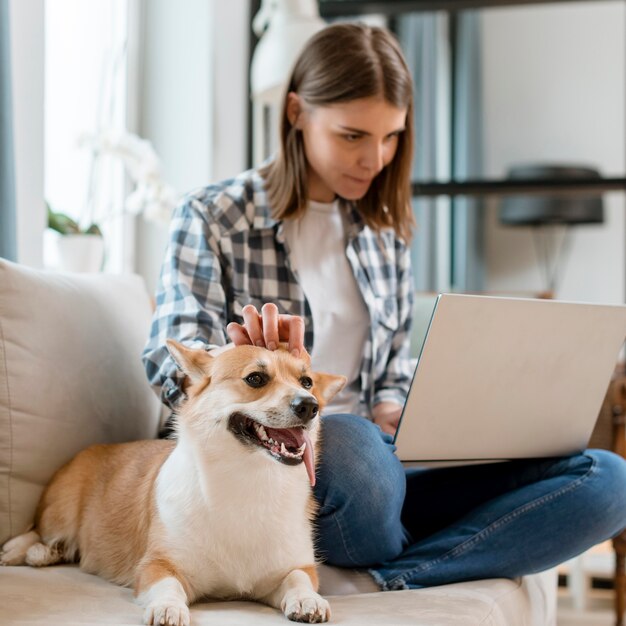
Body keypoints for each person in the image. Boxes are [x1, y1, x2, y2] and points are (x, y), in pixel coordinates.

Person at [143, 22, 626, 590]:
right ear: (296, 112)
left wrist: (405, 409)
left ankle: (394, 574)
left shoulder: (384, 234)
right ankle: (431, 541)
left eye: (391, 136)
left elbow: (391, 374)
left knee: (607, 478)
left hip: (387, 472)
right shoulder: (213, 216)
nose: (375, 158)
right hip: (304, 471)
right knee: (349, 439)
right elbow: (170, 360)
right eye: (353, 135)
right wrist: (245, 358)